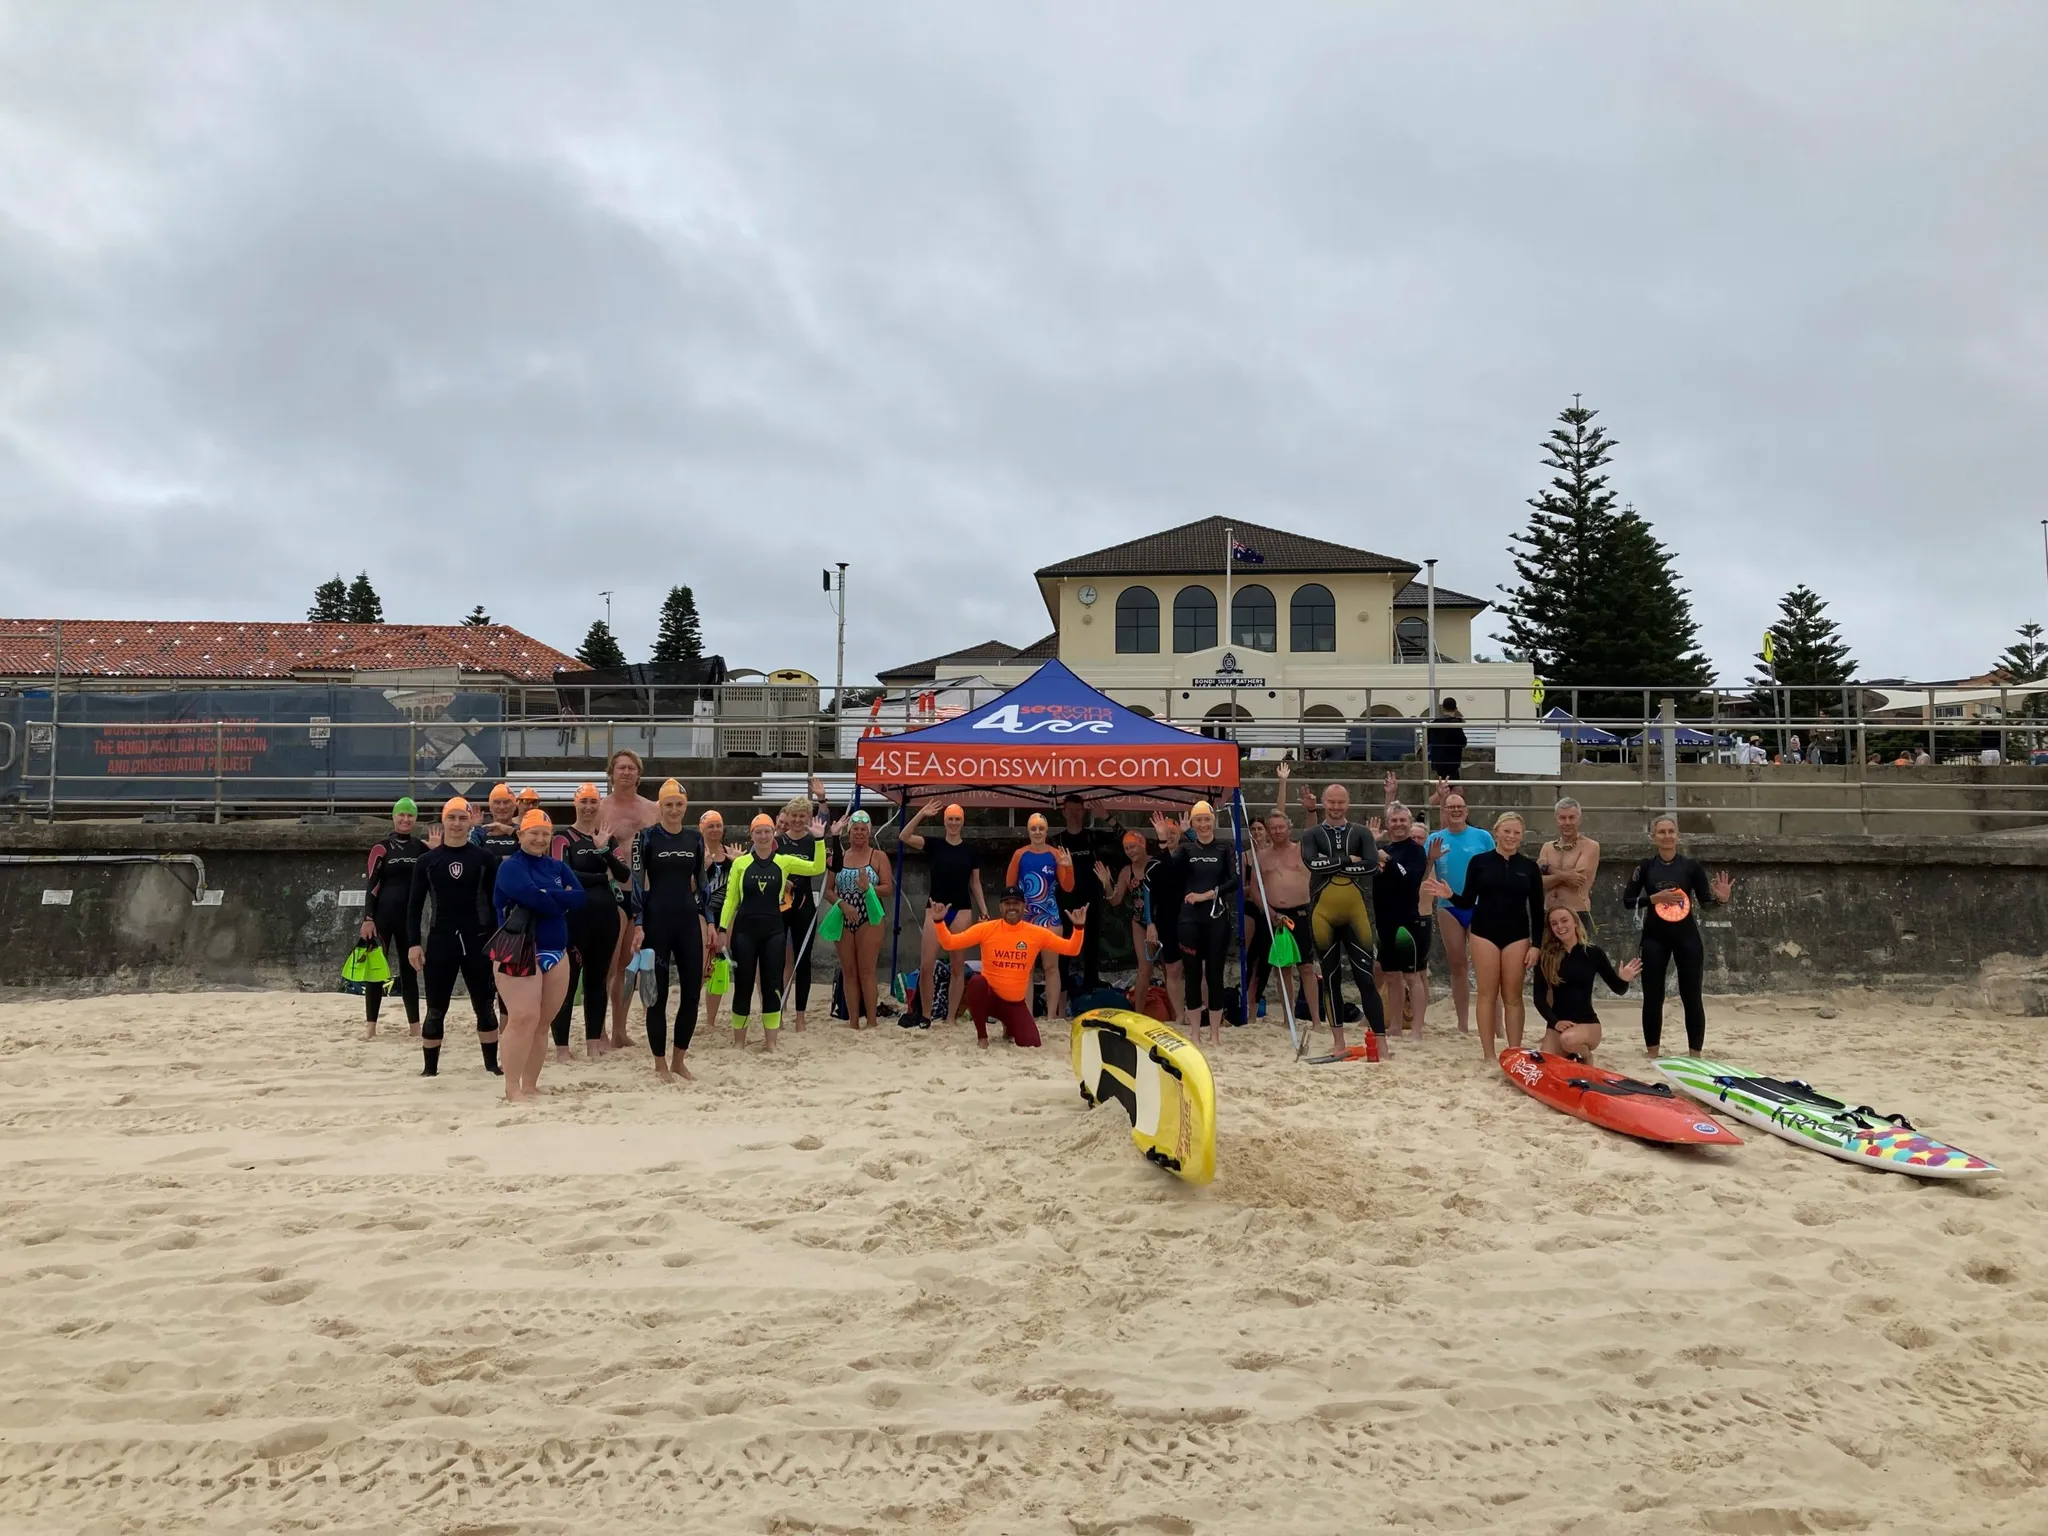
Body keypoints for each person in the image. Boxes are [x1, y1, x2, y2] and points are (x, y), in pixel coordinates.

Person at [1426, 810, 1543, 1060]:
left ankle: (1513, 1051)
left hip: (1517, 936)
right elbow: (1467, 901)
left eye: (1516, 833)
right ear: (1497, 832)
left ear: (1522, 837)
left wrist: (1537, 945)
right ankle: (1489, 1054)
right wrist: (1450, 896)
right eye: (1507, 831)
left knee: (1513, 996)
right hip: (1483, 933)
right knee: (1487, 994)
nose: (1511, 836)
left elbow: (1537, 909)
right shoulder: (1479, 862)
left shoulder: (1529, 868)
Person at [491, 808, 586, 1103]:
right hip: (519, 949)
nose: (540, 839)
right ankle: (512, 1087)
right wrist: (557, 898)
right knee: (522, 1018)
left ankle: (530, 1084)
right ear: (520, 835)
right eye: (533, 833)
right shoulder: (510, 867)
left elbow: (580, 897)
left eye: (545, 834)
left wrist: (546, 895)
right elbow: (530, 897)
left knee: (543, 1023)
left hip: (556, 949)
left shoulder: (557, 867)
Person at [1622, 814, 1734, 1058]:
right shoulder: (1645, 867)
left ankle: (1695, 1054)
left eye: (1671, 832)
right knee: (1653, 996)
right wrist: (1654, 898)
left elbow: (1706, 903)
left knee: (1691, 995)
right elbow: (1627, 901)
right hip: (1654, 938)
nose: (1667, 836)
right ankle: (1652, 1053)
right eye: (1661, 832)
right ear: (1653, 838)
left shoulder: (1691, 867)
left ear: (1678, 835)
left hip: (1687, 938)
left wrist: (1721, 899)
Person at [405, 797, 501, 1078]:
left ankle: (491, 1065)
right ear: (443, 821)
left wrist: (497, 942)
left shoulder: (485, 859)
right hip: (441, 940)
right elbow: (413, 906)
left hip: (479, 939)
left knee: (484, 1004)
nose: (457, 823)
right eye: (452, 818)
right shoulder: (427, 861)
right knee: (436, 1007)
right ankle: (429, 1069)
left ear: (471, 820)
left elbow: (496, 904)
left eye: (462, 818)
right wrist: (413, 943)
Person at [716, 810, 829, 1050]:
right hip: (745, 931)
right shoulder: (741, 863)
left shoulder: (783, 861)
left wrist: (819, 840)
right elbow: (731, 899)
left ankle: (771, 1043)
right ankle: (739, 1042)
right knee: (744, 985)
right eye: (759, 832)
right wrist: (723, 928)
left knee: (771, 986)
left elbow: (817, 868)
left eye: (767, 831)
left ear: (773, 834)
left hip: (773, 932)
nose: (764, 836)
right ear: (752, 835)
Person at [931, 887, 1086, 1049]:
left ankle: (1008, 1025)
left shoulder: (1037, 933)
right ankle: (982, 1036)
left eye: (1016, 903)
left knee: (1031, 1043)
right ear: (1000, 907)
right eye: (1007, 903)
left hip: (1015, 1003)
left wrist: (1079, 928)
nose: (1011, 907)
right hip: (990, 999)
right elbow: (950, 942)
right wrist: (939, 922)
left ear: (1024, 907)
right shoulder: (986, 929)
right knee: (977, 982)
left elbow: (1071, 949)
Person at [630, 779, 707, 1082]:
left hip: (687, 922)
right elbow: (637, 883)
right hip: (655, 923)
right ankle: (660, 1063)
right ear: (660, 806)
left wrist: (710, 923)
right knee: (656, 997)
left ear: (686, 806)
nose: (674, 809)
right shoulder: (646, 838)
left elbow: (702, 884)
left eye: (679, 804)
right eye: (668, 804)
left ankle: (679, 1060)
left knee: (691, 994)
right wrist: (638, 924)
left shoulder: (694, 839)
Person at [548, 784, 632, 1062]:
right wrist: (601, 877)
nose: (588, 806)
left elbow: (621, 874)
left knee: (598, 980)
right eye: (583, 801)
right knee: (568, 982)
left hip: (605, 917)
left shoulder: (606, 838)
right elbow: (562, 876)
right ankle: (562, 1048)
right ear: (575, 803)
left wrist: (604, 851)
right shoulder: (563, 838)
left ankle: (593, 1043)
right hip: (574, 919)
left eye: (593, 802)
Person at [1301, 781, 1385, 1056]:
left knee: (1366, 979)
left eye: (1341, 802)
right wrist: (1349, 859)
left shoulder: (1360, 832)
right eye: (1331, 802)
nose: (1336, 807)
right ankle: (1338, 1042)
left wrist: (1334, 861)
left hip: (1355, 912)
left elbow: (1371, 865)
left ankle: (1381, 1044)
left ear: (1348, 804)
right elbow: (1312, 863)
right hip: (1322, 914)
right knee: (1331, 977)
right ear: (1324, 803)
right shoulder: (1312, 833)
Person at [1157, 801, 1239, 1047]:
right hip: (1189, 920)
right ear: (1192, 824)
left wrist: (1206, 895)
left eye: (1207, 819)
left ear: (1214, 821)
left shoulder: (1225, 848)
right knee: (1191, 975)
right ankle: (1194, 1033)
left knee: (1214, 975)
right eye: (1198, 820)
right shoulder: (1186, 850)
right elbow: (1169, 873)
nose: (1203, 825)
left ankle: (1214, 1034)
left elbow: (1233, 881)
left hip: (1216, 918)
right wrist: (1164, 840)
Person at [898, 802, 984, 1028]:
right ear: (944, 821)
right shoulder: (934, 845)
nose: (954, 823)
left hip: (961, 911)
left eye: (957, 819)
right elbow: (904, 836)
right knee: (927, 966)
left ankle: (951, 1017)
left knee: (957, 966)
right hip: (934, 910)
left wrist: (984, 909)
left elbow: (975, 883)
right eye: (950, 819)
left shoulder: (970, 850)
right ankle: (926, 1015)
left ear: (962, 821)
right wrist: (921, 814)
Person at [597, 750, 660, 1051]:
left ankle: (621, 1029)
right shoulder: (599, 808)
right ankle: (602, 1030)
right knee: (611, 964)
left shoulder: (653, 809)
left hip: (646, 892)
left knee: (635, 965)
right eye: (620, 768)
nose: (626, 772)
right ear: (611, 773)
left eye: (631, 768)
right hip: (615, 891)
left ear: (639, 774)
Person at [1250, 761, 1319, 1036]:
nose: (1277, 831)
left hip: (1301, 913)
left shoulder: (1301, 848)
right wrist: (1268, 911)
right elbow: (1255, 888)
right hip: (1275, 915)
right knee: (1283, 969)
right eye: (1272, 828)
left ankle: (1315, 1019)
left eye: (1281, 827)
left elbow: (1313, 829)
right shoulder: (1261, 856)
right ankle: (1287, 1016)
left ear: (1288, 828)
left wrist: (1310, 809)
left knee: (1306, 968)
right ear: (1267, 830)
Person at [1424, 782, 1494, 1035]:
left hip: (1479, 905)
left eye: (1459, 807)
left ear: (1467, 810)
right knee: (1458, 965)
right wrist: (1430, 858)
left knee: (1487, 967)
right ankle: (1463, 1024)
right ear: (1443, 810)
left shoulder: (1482, 836)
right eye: (1450, 807)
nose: (1455, 810)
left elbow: (1495, 870)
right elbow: (1423, 876)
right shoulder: (1435, 838)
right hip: (1449, 906)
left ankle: (1496, 1026)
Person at [1531, 907, 1641, 1064]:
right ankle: (1570, 1056)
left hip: (1587, 1024)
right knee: (1545, 1063)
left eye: (1564, 921)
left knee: (1568, 1040)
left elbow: (1619, 989)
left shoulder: (1592, 953)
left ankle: (1586, 1055)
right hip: (1558, 1024)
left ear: (1575, 922)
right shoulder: (1546, 957)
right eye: (1554, 923)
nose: (1560, 927)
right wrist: (1555, 1022)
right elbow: (1539, 999)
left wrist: (1624, 979)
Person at [360, 796, 429, 1039]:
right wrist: (368, 918)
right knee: (376, 972)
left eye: (410, 815)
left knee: (410, 971)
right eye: (401, 814)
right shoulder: (381, 848)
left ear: (415, 819)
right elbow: (372, 885)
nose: (405, 819)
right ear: (393, 817)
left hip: (409, 918)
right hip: (381, 918)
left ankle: (414, 1027)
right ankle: (371, 1026)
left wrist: (436, 848)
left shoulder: (420, 847)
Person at [822, 810, 891, 1030]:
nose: (859, 834)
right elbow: (828, 890)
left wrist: (868, 888)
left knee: (867, 971)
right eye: (855, 830)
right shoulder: (839, 858)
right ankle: (853, 1021)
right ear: (848, 833)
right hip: (845, 914)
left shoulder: (878, 857)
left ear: (869, 833)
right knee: (849, 971)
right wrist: (842, 904)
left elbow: (888, 888)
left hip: (869, 915)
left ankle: (871, 1020)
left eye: (863, 830)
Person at [1373, 792, 1431, 1045]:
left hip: (1408, 922)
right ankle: (1395, 1024)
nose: (1398, 824)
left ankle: (1416, 1029)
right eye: (1393, 820)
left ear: (1409, 823)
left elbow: (1410, 879)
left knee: (1412, 976)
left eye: (1402, 820)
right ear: (1388, 825)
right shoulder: (1381, 850)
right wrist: (1374, 852)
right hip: (1385, 921)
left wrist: (1388, 860)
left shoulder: (1417, 851)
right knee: (1392, 975)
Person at [1006, 813, 1074, 1019]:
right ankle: (1026, 1014)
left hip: (1050, 917)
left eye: (1041, 829)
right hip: (1025, 919)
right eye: (1033, 828)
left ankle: (1051, 1016)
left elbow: (1068, 887)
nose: (1037, 832)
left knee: (1051, 968)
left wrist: (1068, 867)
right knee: (1025, 969)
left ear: (1046, 831)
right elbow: (1009, 888)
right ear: (1028, 831)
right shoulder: (1020, 854)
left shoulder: (1056, 855)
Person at [779, 778, 833, 1029]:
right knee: (777, 960)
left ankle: (800, 1016)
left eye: (803, 816)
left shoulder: (813, 840)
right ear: (787, 817)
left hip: (804, 906)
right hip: (779, 906)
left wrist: (822, 799)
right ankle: (776, 1013)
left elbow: (824, 862)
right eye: (795, 816)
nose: (799, 820)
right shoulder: (777, 842)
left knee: (803, 961)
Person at [1053, 794, 1116, 996]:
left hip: (1091, 902)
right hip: (1064, 903)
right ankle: (1061, 993)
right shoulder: (1055, 840)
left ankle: (1091, 990)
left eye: (1078, 810)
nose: (1074, 814)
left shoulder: (1093, 837)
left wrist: (1107, 817)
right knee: (1063, 949)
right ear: (1063, 812)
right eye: (1070, 810)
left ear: (1084, 812)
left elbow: (1126, 838)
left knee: (1091, 948)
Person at [1537, 796, 1601, 938]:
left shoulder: (1590, 846)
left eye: (1572, 818)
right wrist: (1564, 875)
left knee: (1577, 959)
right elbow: (1539, 882)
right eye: (1563, 818)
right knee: (1549, 959)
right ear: (1556, 820)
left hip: (1576, 913)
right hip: (1549, 913)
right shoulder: (1547, 847)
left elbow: (1576, 881)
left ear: (1579, 819)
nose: (1567, 822)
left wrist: (1548, 869)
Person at [697, 810, 733, 1036]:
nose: (715, 830)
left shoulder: (731, 854)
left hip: (724, 915)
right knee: (700, 967)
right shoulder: (694, 852)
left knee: (719, 967)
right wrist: (703, 865)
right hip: (699, 912)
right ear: (702, 828)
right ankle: (691, 1012)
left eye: (718, 825)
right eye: (710, 826)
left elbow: (737, 891)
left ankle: (710, 1021)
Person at [1428, 697, 1467, 782]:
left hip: (1437, 763)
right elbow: (1463, 742)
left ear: (1443, 708)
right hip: (1452, 764)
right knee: (1454, 788)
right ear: (1456, 709)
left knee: (1442, 786)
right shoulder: (1455, 725)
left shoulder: (1434, 724)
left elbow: (1427, 740)